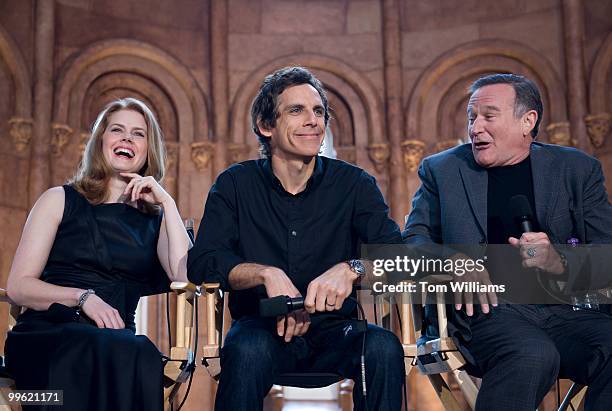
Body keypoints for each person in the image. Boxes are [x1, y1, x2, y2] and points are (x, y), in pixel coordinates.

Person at [188, 66, 405, 411]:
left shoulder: (355, 184)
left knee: (382, 347)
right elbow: (203, 262)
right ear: (266, 126)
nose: (313, 121)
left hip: (338, 332)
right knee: (245, 350)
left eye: (318, 111)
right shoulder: (234, 184)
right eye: (296, 110)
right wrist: (265, 273)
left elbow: (399, 254)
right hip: (261, 331)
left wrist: (353, 268)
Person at [404, 73, 612, 410]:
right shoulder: (442, 171)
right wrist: (455, 263)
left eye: (488, 116)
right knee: (532, 353)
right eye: (472, 117)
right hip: (484, 312)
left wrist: (557, 260)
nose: (475, 128)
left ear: (527, 121)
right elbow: (413, 242)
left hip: (566, 310)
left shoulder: (577, 170)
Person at [5, 97, 191, 411]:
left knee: (141, 353)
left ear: (148, 150)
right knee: (104, 349)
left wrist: (168, 204)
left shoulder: (156, 221)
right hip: (51, 332)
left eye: (138, 134)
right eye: (117, 130)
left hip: (116, 342)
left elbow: (184, 277)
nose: (127, 139)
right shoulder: (58, 200)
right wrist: (83, 297)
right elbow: (19, 286)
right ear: (101, 141)